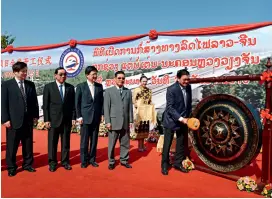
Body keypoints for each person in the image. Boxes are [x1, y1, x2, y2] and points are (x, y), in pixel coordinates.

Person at [1, 61, 39, 177]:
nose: (25, 73)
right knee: (12, 145)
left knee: (28, 144)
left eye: (26, 71)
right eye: (22, 71)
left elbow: (34, 102)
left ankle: (27, 164)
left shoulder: (30, 84)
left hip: (28, 120)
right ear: (15, 72)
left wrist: (35, 116)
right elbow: (3, 103)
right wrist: (5, 119)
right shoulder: (7, 85)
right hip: (13, 120)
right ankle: (11, 167)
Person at [43, 67, 76, 172]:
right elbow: (46, 105)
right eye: (61, 74)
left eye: (65, 74)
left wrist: (73, 117)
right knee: (52, 142)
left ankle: (65, 161)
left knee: (66, 142)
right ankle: (52, 163)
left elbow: (73, 105)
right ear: (55, 75)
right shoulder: (49, 87)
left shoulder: (70, 88)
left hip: (66, 120)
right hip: (53, 120)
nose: (63, 76)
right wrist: (47, 120)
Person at [161, 69, 192, 175]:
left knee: (180, 144)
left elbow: (188, 104)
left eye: (188, 79)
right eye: (184, 80)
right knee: (167, 144)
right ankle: (165, 164)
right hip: (171, 120)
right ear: (178, 79)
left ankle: (178, 163)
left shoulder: (189, 87)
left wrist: (188, 118)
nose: (186, 82)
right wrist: (181, 118)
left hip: (183, 121)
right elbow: (170, 108)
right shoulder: (171, 89)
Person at [104, 71, 133, 170]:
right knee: (112, 143)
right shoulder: (109, 91)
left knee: (125, 142)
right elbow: (106, 108)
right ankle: (111, 161)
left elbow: (130, 107)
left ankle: (124, 160)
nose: (121, 80)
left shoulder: (128, 91)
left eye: (123, 78)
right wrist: (107, 121)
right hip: (113, 122)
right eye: (119, 78)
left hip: (125, 122)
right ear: (115, 79)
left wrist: (131, 121)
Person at [75, 66, 104, 168]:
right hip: (85, 118)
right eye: (93, 74)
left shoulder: (99, 87)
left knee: (94, 140)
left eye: (96, 74)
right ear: (87, 75)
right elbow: (77, 103)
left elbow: (101, 102)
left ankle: (92, 159)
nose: (95, 76)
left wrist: (102, 114)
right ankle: (84, 160)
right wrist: (79, 117)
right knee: (84, 141)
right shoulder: (80, 86)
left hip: (96, 117)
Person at [132, 75, 153, 151]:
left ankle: (143, 145)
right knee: (139, 129)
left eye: (146, 81)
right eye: (143, 81)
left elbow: (150, 101)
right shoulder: (137, 90)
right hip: (139, 113)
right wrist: (139, 106)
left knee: (145, 129)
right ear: (140, 81)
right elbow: (133, 101)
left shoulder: (149, 90)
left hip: (146, 112)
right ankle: (139, 146)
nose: (145, 83)